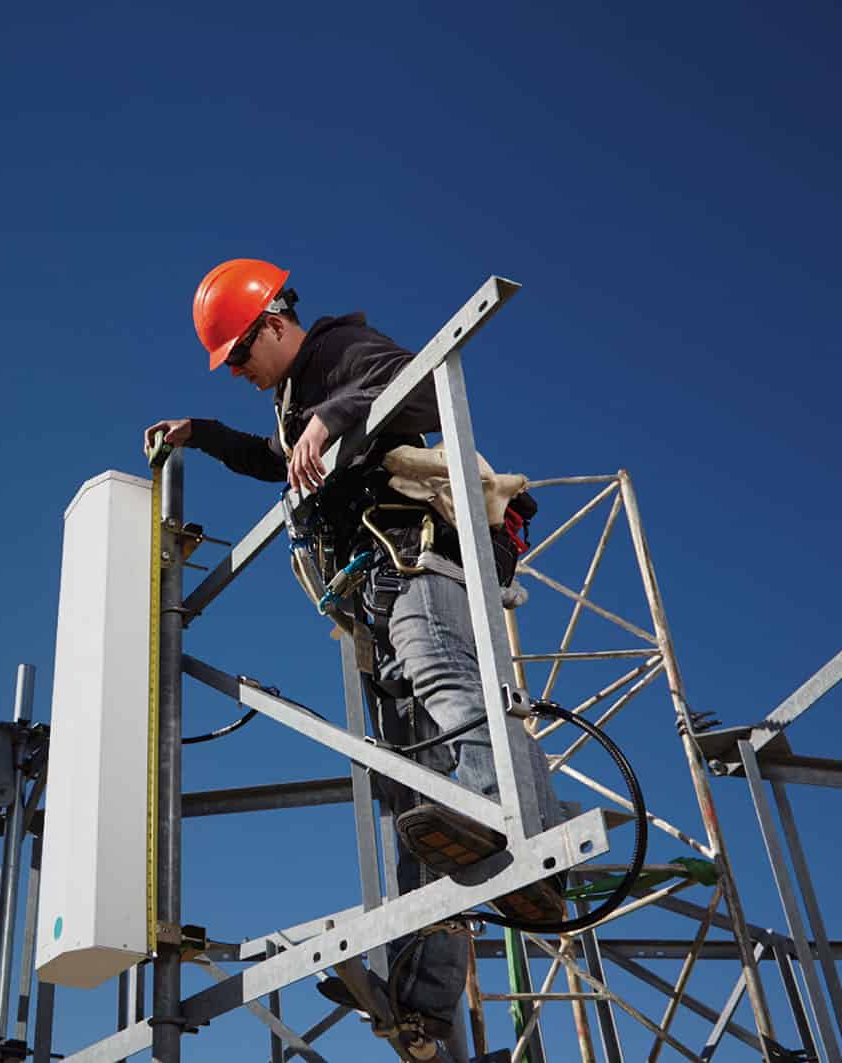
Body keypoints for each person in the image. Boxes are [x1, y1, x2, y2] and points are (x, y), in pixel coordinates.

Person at [144, 258, 564, 1052]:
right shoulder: (287, 403)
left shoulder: (337, 350)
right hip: (377, 592)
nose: (237, 371)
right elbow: (277, 461)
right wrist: (201, 434)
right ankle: (423, 995)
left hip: (419, 561)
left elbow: (417, 382)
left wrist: (333, 417)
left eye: (239, 354)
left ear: (273, 323)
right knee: (420, 796)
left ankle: (524, 832)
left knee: (451, 688)